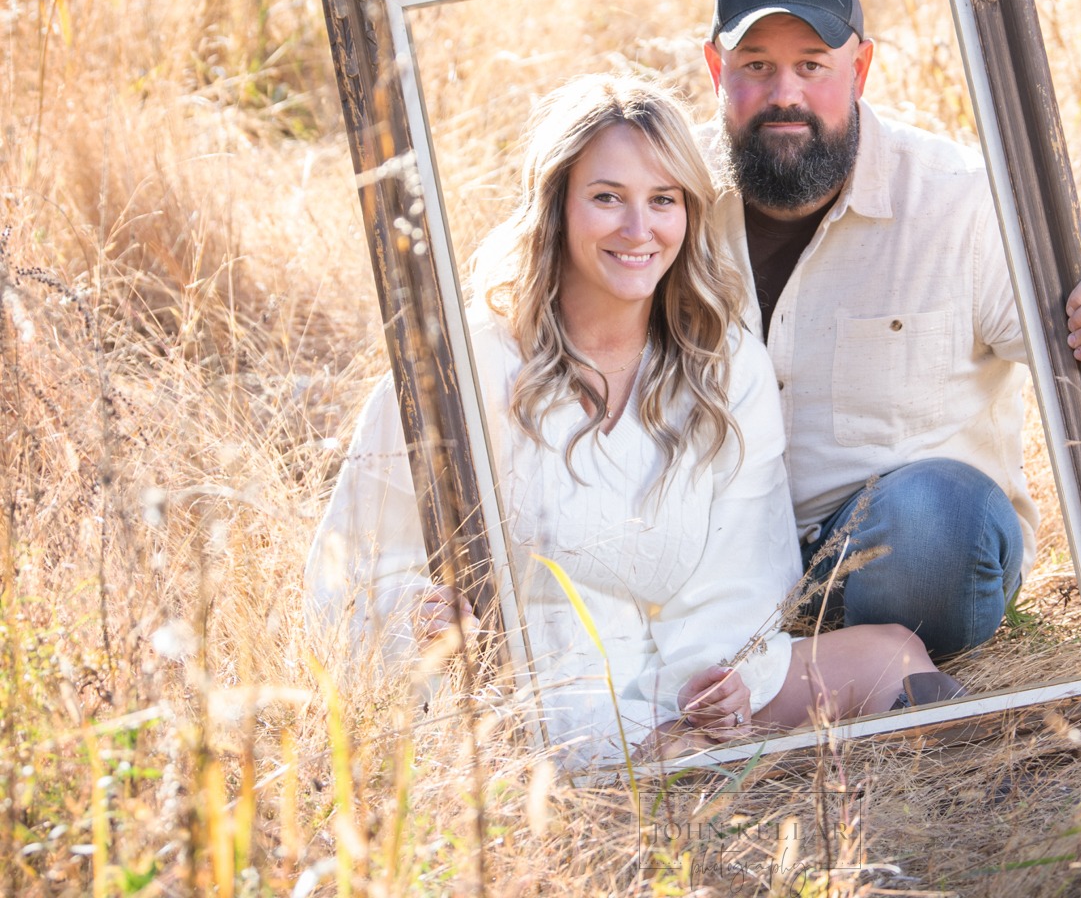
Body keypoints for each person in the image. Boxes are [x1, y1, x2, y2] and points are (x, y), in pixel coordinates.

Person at [305, 75, 952, 768]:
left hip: (678, 680)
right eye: (607, 197)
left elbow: (747, 563)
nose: (639, 230)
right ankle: (652, 771)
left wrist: (717, 685)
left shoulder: (725, 364)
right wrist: (416, 618)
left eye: (663, 200)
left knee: (894, 657)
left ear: (689, 214)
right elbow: (351, 568)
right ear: (556, 207)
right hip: (534, 697)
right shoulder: (461, 369)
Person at [700, 0, 1081, 660]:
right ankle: (805, 649)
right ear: (716, 69)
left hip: (900, 550)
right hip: (724, 550)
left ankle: (837, 644)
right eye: (756, 67)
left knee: (938, 526)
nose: (787, 94)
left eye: (812, 65)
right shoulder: (668, 208)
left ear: (860, 68)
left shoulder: (959, 201)